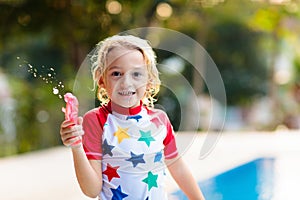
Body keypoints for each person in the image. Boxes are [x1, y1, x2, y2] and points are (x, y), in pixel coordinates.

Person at [60, 35, 205, 200]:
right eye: (116, 73)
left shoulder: (159, 120)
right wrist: (76, 146)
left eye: (136, 74)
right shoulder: (96, 120)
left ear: (149, 81)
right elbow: (92, 190)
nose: (126, 82)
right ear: (102, 80)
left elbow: (177, 167)